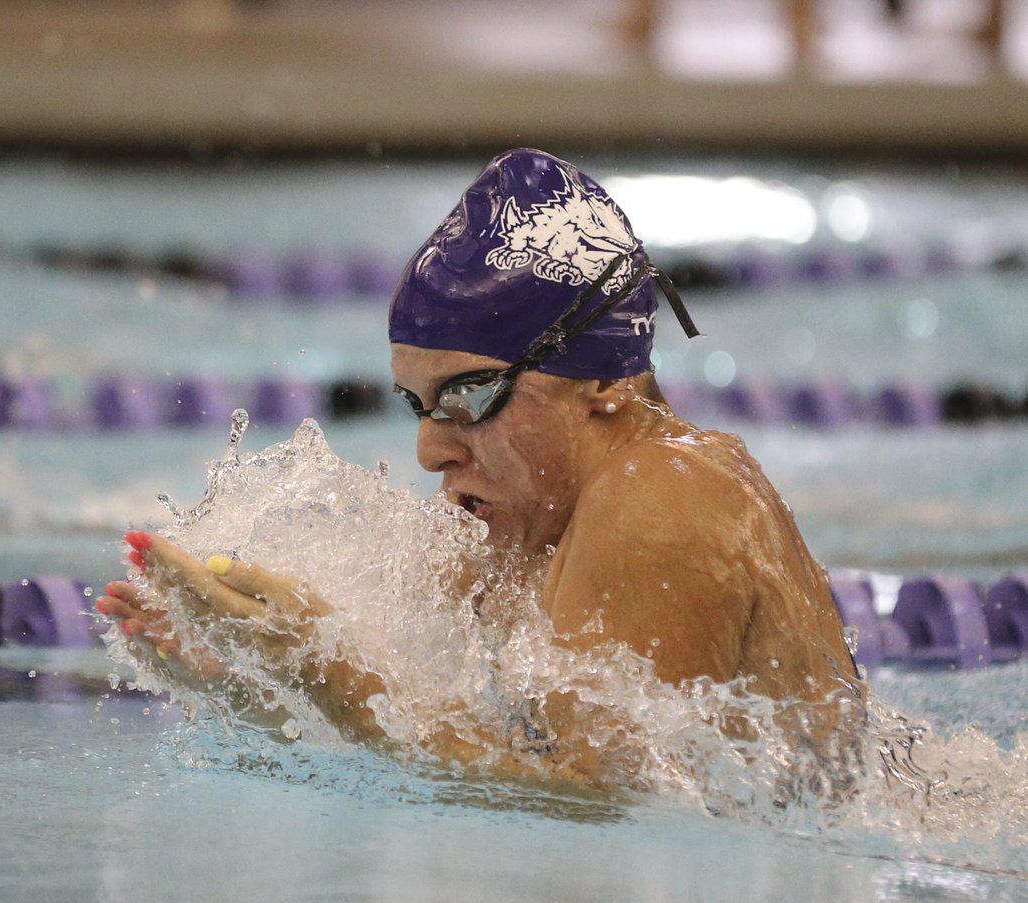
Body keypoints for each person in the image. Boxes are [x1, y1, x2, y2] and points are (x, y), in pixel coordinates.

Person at [97, 148, 861, 781]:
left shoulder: (663, 494)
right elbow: (460, 746)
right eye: (418, 404)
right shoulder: (514, 533)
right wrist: (256, 682)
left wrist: (346, 688)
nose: (432, 450)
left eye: (472, 394)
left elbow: (606, 807)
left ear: (604, 381)